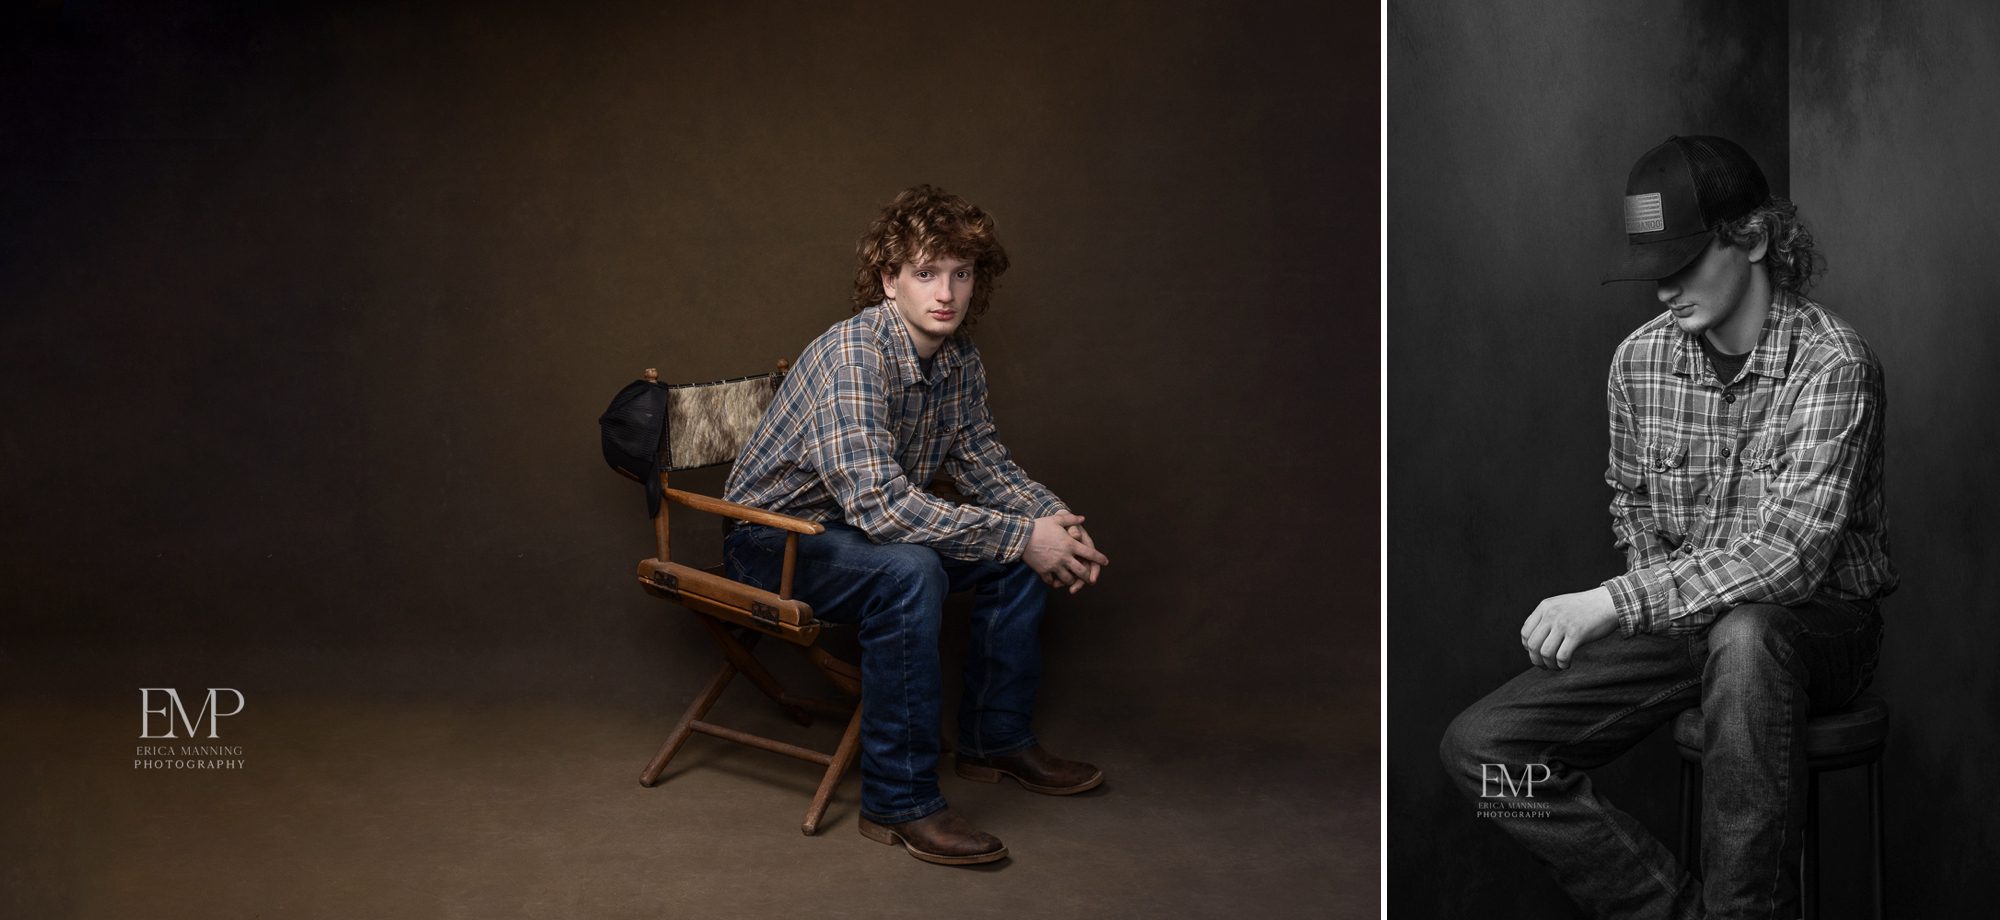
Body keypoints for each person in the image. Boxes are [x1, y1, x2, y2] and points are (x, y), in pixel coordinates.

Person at [1438, 136, 1897, 918]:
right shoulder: (1635, 365)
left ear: (1751, 237)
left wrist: (1614, 601)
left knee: (1749, 635)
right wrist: (1650, 599)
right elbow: (1638, 517)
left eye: (1681, 263)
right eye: (1653, 269)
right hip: (1685, 623)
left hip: (1817, 631)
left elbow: (1790, 559)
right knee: (1479, 751)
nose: (1662, 292)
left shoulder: (1835, 364)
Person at [721, 184, 1110, 866]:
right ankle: (898, 802)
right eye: (926, 272)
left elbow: (986, 465)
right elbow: (880, 508)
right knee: (913, 568)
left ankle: (996, 738)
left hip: (853, 530)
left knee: (1015, 552)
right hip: (774, 539)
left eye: (961, 273)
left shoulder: (958, 360)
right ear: (888, 280)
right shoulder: (854, 355)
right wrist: (1023, 533)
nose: (947, 292)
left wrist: (1052, 520)